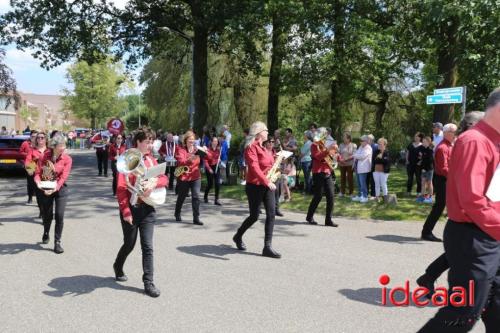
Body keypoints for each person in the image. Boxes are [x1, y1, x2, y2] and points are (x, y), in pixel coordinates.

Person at [418, 89, 500, 333]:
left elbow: (493, 196)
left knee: (497, 309)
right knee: (462, 313)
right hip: (472, 238)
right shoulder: (474, 141)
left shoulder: (493, 142)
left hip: (489, 235)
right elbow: (472, 201)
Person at [416, 111, 485, 304]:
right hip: (467, 205)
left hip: (468, 204)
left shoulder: (461, 144)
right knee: (471, 249)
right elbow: (454, 172)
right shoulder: (464, 145)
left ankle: (430, 278)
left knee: (465, 249)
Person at [114, 128, 168, 298]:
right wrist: (125, 211)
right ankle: (118, 265)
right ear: (138, 142)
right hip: (131, 209)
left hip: (148, 209)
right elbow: (121, 188)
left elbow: (164, 178)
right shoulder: (129, 160)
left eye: (152, 141)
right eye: (147, 141)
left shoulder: (152, 160)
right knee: (129, 244)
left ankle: (148, 282)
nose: (150, 145)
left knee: (147, 246)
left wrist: (154, 183)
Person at [232, 121, 281, 258]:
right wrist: (266, 181)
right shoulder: (251, 148)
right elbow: (254, 168)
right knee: (254, 216)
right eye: (266, 130)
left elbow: (269, 165)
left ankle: (267, 247)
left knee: (271, 214)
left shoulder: (266, 148)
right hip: (255, 186)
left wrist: (277, 165)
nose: (267, 133)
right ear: (259, 133)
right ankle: (238, 236)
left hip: (267, 185)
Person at [34, 132, 72, 254]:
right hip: (45, 188)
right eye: (62, 145)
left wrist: (55, 188)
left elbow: (63, 177)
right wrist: (38, 183)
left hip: (60, 189)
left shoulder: (67, 159)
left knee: (59, 215)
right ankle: (46, 231)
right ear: (54, 146)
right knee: (47, 215)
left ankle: (57, 242)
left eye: (64, 145)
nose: (64, 147)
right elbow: (37, 173)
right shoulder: (44, 157)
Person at [421, 123, 457, 242]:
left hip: (448, 179)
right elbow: (443, 169)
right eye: (453, 132)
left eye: (455, 132)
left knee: (450, 205)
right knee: (439, 206)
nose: (455, 134)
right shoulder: (442, 148)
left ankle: (456, 234)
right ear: (446, 133)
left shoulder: (450, 146)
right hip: (442, 180)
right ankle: (426, 232)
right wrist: (456, 176)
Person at [306, 127, 339, 226]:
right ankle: (309, 216)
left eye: (325, 134)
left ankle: (328, 220)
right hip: (318, 172)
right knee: (318, 196)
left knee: (331, 196)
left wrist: (336, 154)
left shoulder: (325, 144)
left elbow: (332, 157)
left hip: (327, 172)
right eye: (323, 134)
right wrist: (328, 149)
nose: (325, 136)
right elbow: (318, 157)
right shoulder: (314, 145)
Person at [174, 130, 204, 225]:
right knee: (182, 196)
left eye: (193, 139)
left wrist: (206, 151)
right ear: (186, 140)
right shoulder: (180, 149)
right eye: (190, 139)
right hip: (184, 177)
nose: (192, 141)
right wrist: (189, 160)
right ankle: (177, 213)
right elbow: (180, 162)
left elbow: (204, 159)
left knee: (196, 197)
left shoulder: (197, 149)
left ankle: (196, 218)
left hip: (195, 176)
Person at [26, 131, 47, 218]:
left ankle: (46, 213)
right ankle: (41, 210)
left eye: (42, 137)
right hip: (37, 176)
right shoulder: (32, 151)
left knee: (47, 196)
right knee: (39, 197)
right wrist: (30, 169)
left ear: (46, 139)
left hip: (48, 176)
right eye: (38, 138)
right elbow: (28, 162)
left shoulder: (50, 150)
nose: (40, 139)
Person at [352, 135, 373, 203]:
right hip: (358, 168)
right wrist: (356, 155)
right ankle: (359, 195)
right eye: (360, 141)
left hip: (364, 168)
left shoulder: (368, 148)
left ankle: (365, 196)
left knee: (363, 183)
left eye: (362, 141)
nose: (360, 142)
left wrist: (355, 155)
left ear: (366, 141)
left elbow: (362, 156)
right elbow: (357, 154)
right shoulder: (361, 147)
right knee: (358, 183)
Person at [203, 136, 222, 206]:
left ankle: (216, 199)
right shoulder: (207, 150)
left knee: (217, 183)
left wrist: (219, 160)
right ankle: (205, 196)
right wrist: (209, 169)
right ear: (211, 142)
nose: (215, 143)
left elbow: (219, 158)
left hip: (216, 167)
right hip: (209, 167)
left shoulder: (218, 150)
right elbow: (205, 161)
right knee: (210, 184)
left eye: (216, 141)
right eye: (214, 141)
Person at [21, 130, 38, 204]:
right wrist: (29, 155)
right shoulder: (25, 143)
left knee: (37, 182)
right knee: (30, 182)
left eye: (36, 136)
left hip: (38, 164)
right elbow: (21, 152)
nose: (34, 138)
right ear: (30, 136)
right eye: (33, 136)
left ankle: (39, 199)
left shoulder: (39, 143)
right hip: (30, 164)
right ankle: (30, 197)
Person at [416, 137, 434, 204]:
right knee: (423, 183)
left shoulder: (430, 150)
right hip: (423, 169)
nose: (423, 143)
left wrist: (424, 168)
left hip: (429, 169)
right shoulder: (422, 149)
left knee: (429, 183)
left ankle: (430, 197)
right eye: (422, 141)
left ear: (428, 142)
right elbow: (422, 158)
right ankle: (422, 197)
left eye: (424, 142)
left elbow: (430, 161)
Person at [338, 132, 356, 197]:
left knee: (350, 178)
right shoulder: (341, 145)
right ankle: (342, 192)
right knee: (342, 178)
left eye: (344, 137)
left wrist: (345, 159)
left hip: (350, 164)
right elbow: (338, 153)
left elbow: (354, 155)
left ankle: (351, 192)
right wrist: (340, 160)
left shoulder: (353, 145)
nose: (343, 138)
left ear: (348, 138)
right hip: (342, 164)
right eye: (343, 137)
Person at [406, 132, 424, 196]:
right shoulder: (410, 145)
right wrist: (407, 160)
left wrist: (421, 161)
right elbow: (407, 152)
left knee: (418, 179)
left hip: (418, 165)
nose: (416, 138)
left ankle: (418, 192)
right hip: (410, 164)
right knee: (410, 178)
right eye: (415, 136)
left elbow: (424, 155)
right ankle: (408, 191)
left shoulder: (422, 146)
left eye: (417, 136)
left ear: (420, 138)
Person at [366, 134, 378, 198]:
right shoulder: (366, 146)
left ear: (371, 140)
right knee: (366, 180)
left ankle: (373, 194)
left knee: (373, 181)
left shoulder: (376, 146)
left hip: (374, 166)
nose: (367, 140)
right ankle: (366, 193)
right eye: (367, 138)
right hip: (366, 166)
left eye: (368, 138)